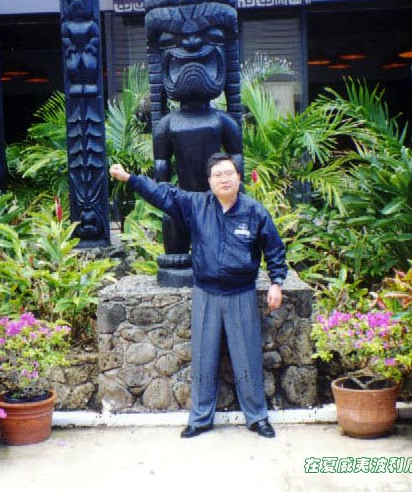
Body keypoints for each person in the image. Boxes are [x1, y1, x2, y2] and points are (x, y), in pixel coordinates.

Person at [109, 153, 287, 438]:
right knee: (204, 356)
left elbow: (275, 249)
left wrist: (277, 282)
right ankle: (201, 418)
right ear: (210, 181)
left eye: (229, 173)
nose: (224, 179)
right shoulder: (197, 205)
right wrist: (131, 179)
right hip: (205, 292)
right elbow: (162, 194)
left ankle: (257, 417)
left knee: (248, 357)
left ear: (238, 178)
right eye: (218, 175)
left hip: (240, 293)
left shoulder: (255, 211)